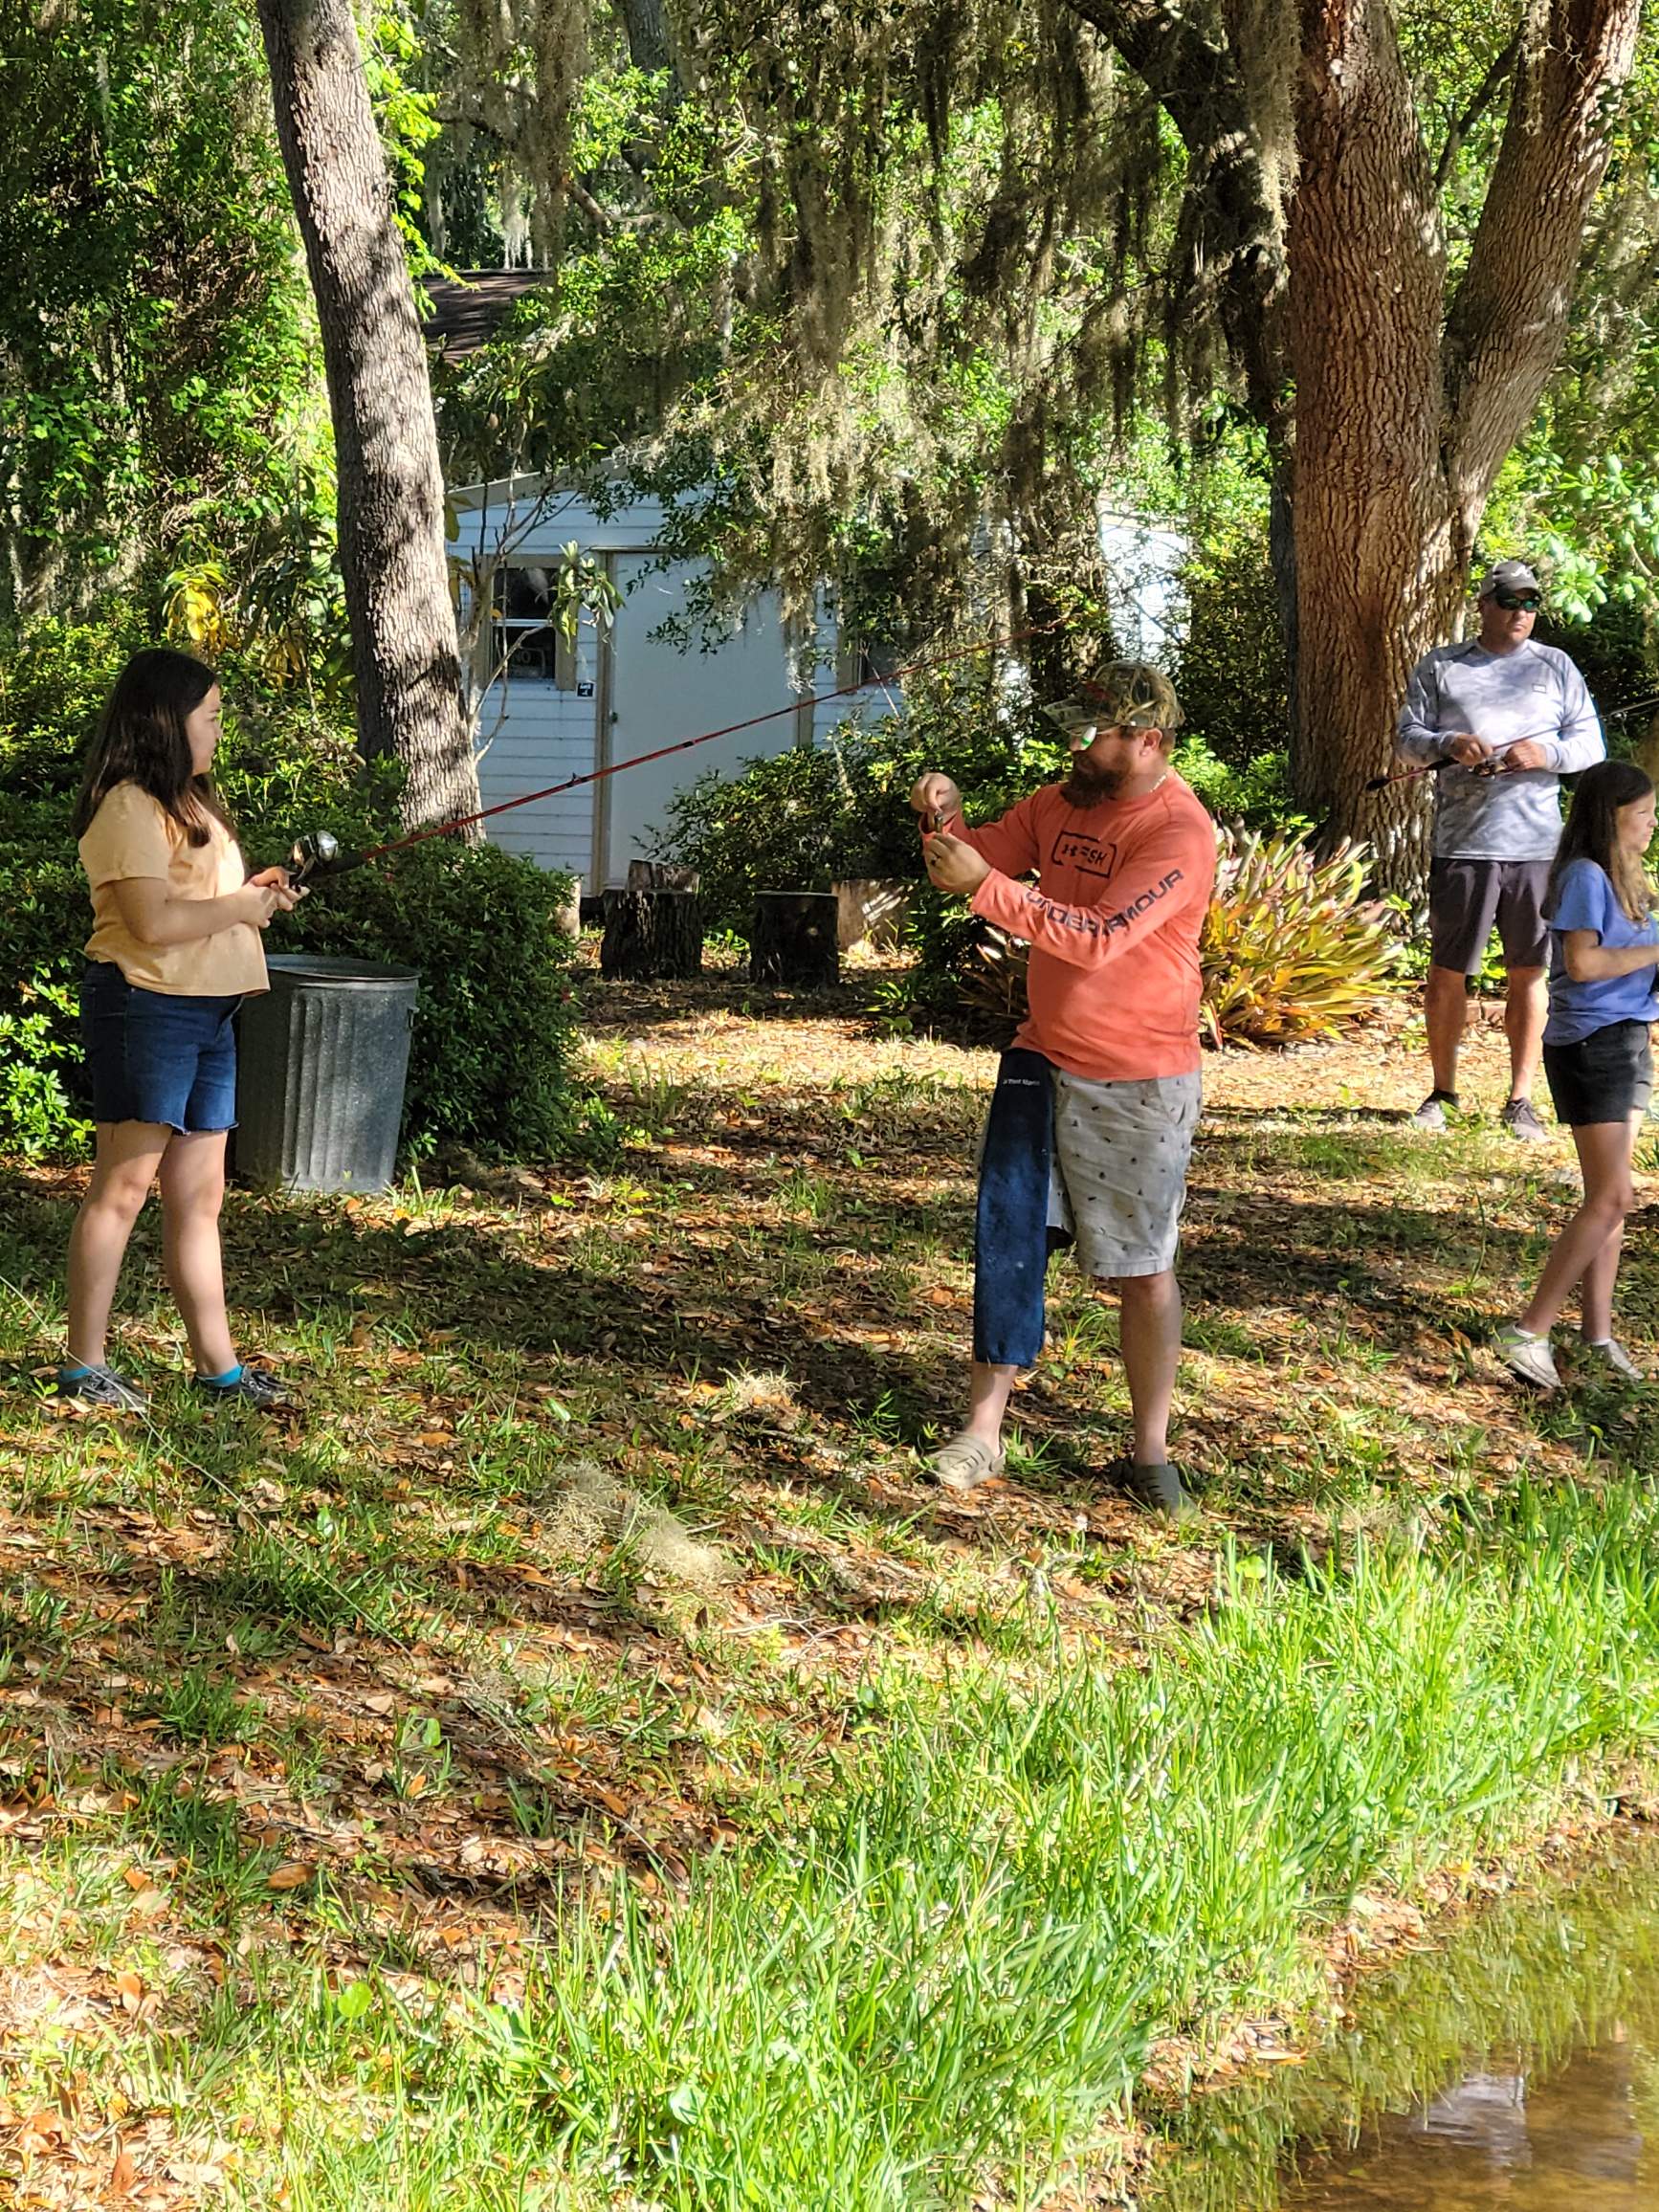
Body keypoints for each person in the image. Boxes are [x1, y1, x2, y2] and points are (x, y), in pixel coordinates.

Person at [909, 657, 1217, 1516]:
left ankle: (1149, 1454)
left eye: (1093, 734)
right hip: (1039, 1054)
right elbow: (978, 861)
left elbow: (1093, 937)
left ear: (1146, 741)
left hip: (1138, 1078)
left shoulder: (1178, 833)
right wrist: (944, 817)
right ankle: (982, 1430)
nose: (1073, 746)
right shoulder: (1057, 803)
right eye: (1071, 729)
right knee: (1006, 1233)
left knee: (1141, 1267)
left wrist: (986, 888)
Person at [56, 648, 302, 1413]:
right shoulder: (127, 806)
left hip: (211, 1009)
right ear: (168, 722)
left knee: (200, 1201)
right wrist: (235, 908)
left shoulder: (193, 804)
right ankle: (82, 1366)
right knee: (123, 1188)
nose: (220, 733)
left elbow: (199, 900)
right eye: (212, 717)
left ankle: (218, 1369)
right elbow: (151, 922)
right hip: (147, 1007)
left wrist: (247, 890)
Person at [1396, 558, 1604, 1137]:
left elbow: (1589, 743)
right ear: (1484, 603)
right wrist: (1450, 742)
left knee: (1529, 971)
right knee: (1447, 971)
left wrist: (1545, 755)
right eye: (1511, 599)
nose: (1521, 612)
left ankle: (1521, 1100)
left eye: (1532, 602)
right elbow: (1406, 740)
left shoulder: (1555, 667)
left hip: (1537, 849)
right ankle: (1442, 1093)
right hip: (1461, 844)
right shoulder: (1443, 666)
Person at [1493, 761, 1656, 1389]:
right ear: (1608, 816)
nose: (1649, 823)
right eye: (1640, 813)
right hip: (1592, 1045)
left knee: (1609, 1200)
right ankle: (1528, 1331)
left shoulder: (1626, 877)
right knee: (1614, 1197)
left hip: (1626, 1039)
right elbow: (1583, 964)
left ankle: (1596, 1335)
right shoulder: (1586, 875)